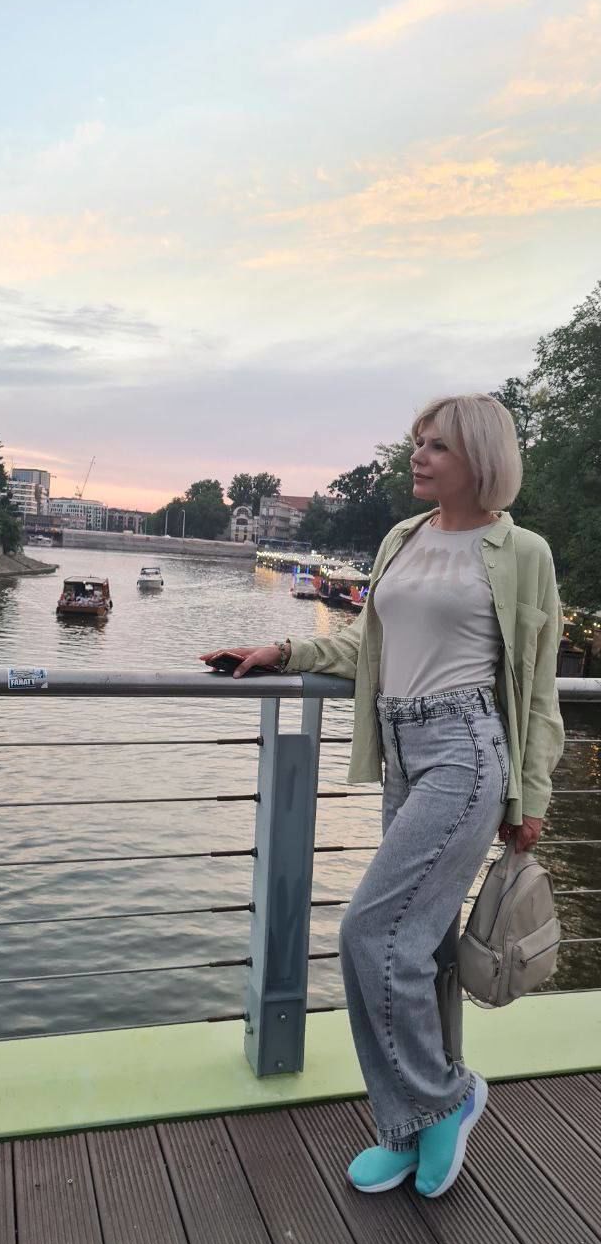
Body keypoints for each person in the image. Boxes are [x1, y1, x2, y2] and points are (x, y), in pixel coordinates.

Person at [200, 393, 564, 1200]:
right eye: (417, 442)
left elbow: (538, 687)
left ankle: (446, 1098)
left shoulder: (522, 552)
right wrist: (284, 649)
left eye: (436, 446)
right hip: (401, 748)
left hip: (466, 750)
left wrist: (531, 794)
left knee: (371, 931)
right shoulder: (403, 537)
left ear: (479, 459)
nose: (418, 456)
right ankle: (404, 1126)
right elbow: (370, 646)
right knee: (417, 946)